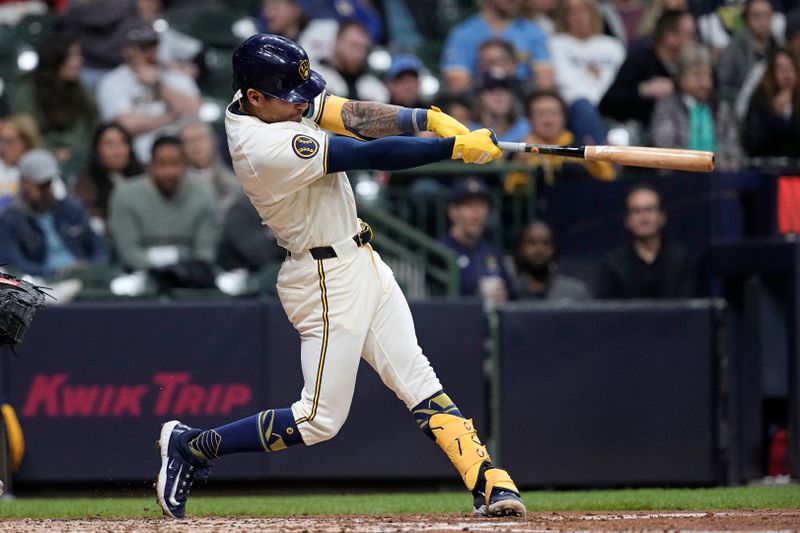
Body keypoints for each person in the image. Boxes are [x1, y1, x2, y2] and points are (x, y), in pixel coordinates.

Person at [154, 33, 526, 521]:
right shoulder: (263, 144)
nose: (300, 107)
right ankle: (191, 447)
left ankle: (487, 480)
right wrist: (452, 148)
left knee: (416, 376)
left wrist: (426, 118)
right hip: (323, 277)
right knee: (318, 419)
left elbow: (344, 113)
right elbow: (366, 152)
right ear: (255, 98)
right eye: (290, 101)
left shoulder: (268, 102)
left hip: (360, 257)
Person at [108, 135, 221, 273]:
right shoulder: (125, 195)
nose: (169, 171)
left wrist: (182, 271)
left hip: (191, 276)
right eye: (162, 164)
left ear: (185, 165)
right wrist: (163, 271)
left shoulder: (205, 194)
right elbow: (128, 251)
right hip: (138, 274)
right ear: (150, 165)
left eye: (175, 163)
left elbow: (205, 252)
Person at [96, 23, 202, 163]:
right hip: (137, 157)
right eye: (143, 47)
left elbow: (194, 109)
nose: (150, 52)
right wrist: (169, 117)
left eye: (153, 45)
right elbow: (126, 125)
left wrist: (157, 84)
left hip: (181, 155)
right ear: (127, 50)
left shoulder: (174, 74)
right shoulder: (113, 81)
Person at [0, 149, 109, 279]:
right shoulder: (11, 218)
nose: (45, 190)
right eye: (39, 185)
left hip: (83, 276)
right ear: (24, 182)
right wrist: (56, 272)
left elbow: (99, 247)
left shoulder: (71, 208)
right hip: (43, 283)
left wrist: (91, 267)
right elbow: (14, 264)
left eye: (48, 183)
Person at [8, 32, 98, 172]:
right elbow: (25, 131)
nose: (80, 62)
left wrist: (79, 152)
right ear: (57, 59)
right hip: (40, 159)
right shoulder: (27, 91)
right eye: (73, 56)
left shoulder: (81, 89)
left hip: (81, 157)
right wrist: (50, 152)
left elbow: (94, 124)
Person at [650, 44, 743, 171]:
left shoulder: (721, 109)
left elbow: (734, 151)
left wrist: (717, 167)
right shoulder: (667, 107)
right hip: (678, 180)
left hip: (718, 179)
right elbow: (664, 150)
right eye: (696, 75)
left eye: (707, 75)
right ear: (681, 78)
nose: (704, 82)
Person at [597, 183, 697, 299]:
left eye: (649, 210)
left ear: (662, 216)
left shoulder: (683, 260)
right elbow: (607, 313)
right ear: (627, 220)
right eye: (636, 211)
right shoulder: (613, 264)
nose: (644, 217)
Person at [599, 9, 696, 129]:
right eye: (688, 35)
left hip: (677, 134)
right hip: (637, 132)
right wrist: (644, 90)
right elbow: (608, 103)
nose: (692, 41)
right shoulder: (640, 59)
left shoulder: (688, 64)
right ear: (669, 36)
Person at [505, 90, 615, 194]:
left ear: (564, 117)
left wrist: (596, 159)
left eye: (554, 113)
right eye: (540, 114)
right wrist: (521, 164)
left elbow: (608, 179)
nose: (548, 119)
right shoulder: (518, 150)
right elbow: (510, 192)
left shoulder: (580, 145)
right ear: (529, 119)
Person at [441, 0, 552, 94]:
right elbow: (457, 86)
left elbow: (545, 83)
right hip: (478, 107)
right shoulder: (464, 34)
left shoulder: (533, 32)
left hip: (521, 105)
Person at [440, 177, 516, 306]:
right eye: (469, 205)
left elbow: (514, 296)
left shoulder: (492, 251)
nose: (476, 213)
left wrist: (505, 296)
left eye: (481, 205)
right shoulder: (440, 251)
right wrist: (474, 299)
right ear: (452, 211)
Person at [72, 123, 144, 235]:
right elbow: (91, 218)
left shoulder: (143, 177)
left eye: (123, 143)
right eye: (110, 144)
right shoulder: (86, 181)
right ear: (97, 149)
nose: (118, 150)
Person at [716, 0, 777, 109]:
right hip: (742, 112)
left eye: (766, 15)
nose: (762, 21)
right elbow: (722, 87)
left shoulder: (777, 48)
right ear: (747, 19)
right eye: (756, 16)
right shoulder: (733, 50)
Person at [311, 20, 389, 102]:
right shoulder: (314, 75)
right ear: (337, 42)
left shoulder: (373, 86)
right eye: (354, 45)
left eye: (364, 48)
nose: (359, 53)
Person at [743, 48, 800, 157]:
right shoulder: (759, 100)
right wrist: (775, 116)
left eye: (791, 68)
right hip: (766, 169)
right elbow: (753, 143)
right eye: (781, 69)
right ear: (771, 73)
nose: (787, 75)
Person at [514, 219, 591, 300]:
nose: (539, 250)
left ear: (554, 249)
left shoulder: (576, 293)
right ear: (520, 249)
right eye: (532, 242)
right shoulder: (510, 292)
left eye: (546, 243)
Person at [179, 120, 240, 211]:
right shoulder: (177, 186)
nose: (196, 145)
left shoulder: (233, 182)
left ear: (212, 141)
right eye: (189, 141)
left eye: (200, 138)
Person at [470, 71, 530, 143]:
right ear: (480, 97)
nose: (499, 94)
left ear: (512, 97)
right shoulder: (469, 132)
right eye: (491, 89)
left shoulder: (525, 130)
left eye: (505, 89)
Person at [0, 115, 42, 211]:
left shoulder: (41, 171)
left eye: (10, 142)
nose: (3, 148)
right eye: (1, 141)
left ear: (26, 143)